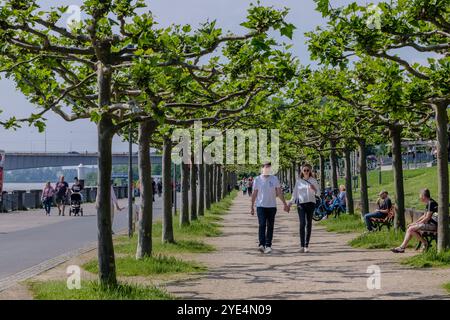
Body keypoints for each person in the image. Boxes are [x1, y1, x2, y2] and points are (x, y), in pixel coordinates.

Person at [250, 162, 289, 254]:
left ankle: (268, 245)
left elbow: (279, 192)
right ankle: (261, 245)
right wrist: (251, 206)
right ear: (262, 168)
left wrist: (284, 204)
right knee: (262, 224)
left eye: (269, 168)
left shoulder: (274, 179)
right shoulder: (257, 179)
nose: (267, 169)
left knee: (270, 226)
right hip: (261, 206)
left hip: (272, 206)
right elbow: (254, 193)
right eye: (266, 167)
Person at [391, 189, 438, 253]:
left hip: (433, 226)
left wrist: (416, 224)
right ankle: (402, 247)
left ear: (423, 196)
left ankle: (425, 243)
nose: (419, 197)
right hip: (431, 224)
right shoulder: (429, 203)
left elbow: (427, 218)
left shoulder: (431, 203)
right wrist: (415, 223)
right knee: (410, 228)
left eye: (420, 195)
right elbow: (424, 216)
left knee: (410, 229)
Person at [288, 163, 320, 253]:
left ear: (310, 171)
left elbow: (318, 193)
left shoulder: (313, 180)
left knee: (309, 223)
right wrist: (290, 203)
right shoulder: (298, 181)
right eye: (304, 170)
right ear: (302, 171)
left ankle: (306, 245)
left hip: (311, 203)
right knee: (302, 223)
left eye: (307, 170)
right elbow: (295, 193)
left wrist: (314, 190)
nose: (306, 172)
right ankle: (302, 246)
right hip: (301, 204)